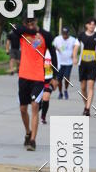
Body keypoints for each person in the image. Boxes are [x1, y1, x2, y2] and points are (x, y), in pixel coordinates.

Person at [9, 16, 57, 150]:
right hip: (23, 76)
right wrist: (29, 30)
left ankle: (33, 140)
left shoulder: (46, 36)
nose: (30, 25)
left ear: (37, 21)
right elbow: (13, 27)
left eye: (33, 22)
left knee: (35, 106)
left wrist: (55, 77)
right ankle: (28, 132)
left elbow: (53, 55)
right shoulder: (21, 33)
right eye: (27, 23)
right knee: (23, 109)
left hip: (38, 77)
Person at [73, 18, 96, 117]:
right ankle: (86, 105)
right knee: (83, 88)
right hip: (82, 64)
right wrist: (75, 57)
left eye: (94, 24)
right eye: (90, 24)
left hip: (93, 64)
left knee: (90, 86)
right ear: (86, 25)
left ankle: (87, 109)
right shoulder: (81, 36)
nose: (92, 26)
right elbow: (76, 48)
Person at [52, 26, 76, 99]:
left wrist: (74, 54)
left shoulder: (73, 39)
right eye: (63, 34)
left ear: (68, 33)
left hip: (68, 62)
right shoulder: (57, 39)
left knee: (67, 77)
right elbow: (52, 45)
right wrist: (56, 49)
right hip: (59, 62)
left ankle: (65, 90)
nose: (65, 35)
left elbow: (76, 47)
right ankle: (60, 93)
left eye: (66, 34)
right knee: (59, 79)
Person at [39, 47, 56, 124]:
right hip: (38, 79)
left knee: (46, 97)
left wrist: (55, 79)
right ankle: (36, 112)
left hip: (49, 79)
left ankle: (43, 116)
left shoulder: (53, 51)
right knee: (37, 102)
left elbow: (57, 65)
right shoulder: (37, 48)